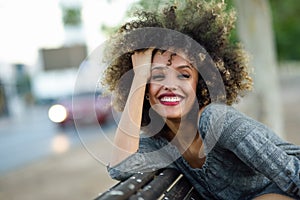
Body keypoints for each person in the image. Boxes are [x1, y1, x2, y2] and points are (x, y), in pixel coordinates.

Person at [102, 0, 300, 199]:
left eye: (184, 75)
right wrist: (139, 77)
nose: (170, 85)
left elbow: (293, 176)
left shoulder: (218, 121)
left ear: (200, 84)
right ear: (145, 89)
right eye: (158, 76)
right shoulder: (160, 142)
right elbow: (120, 168)